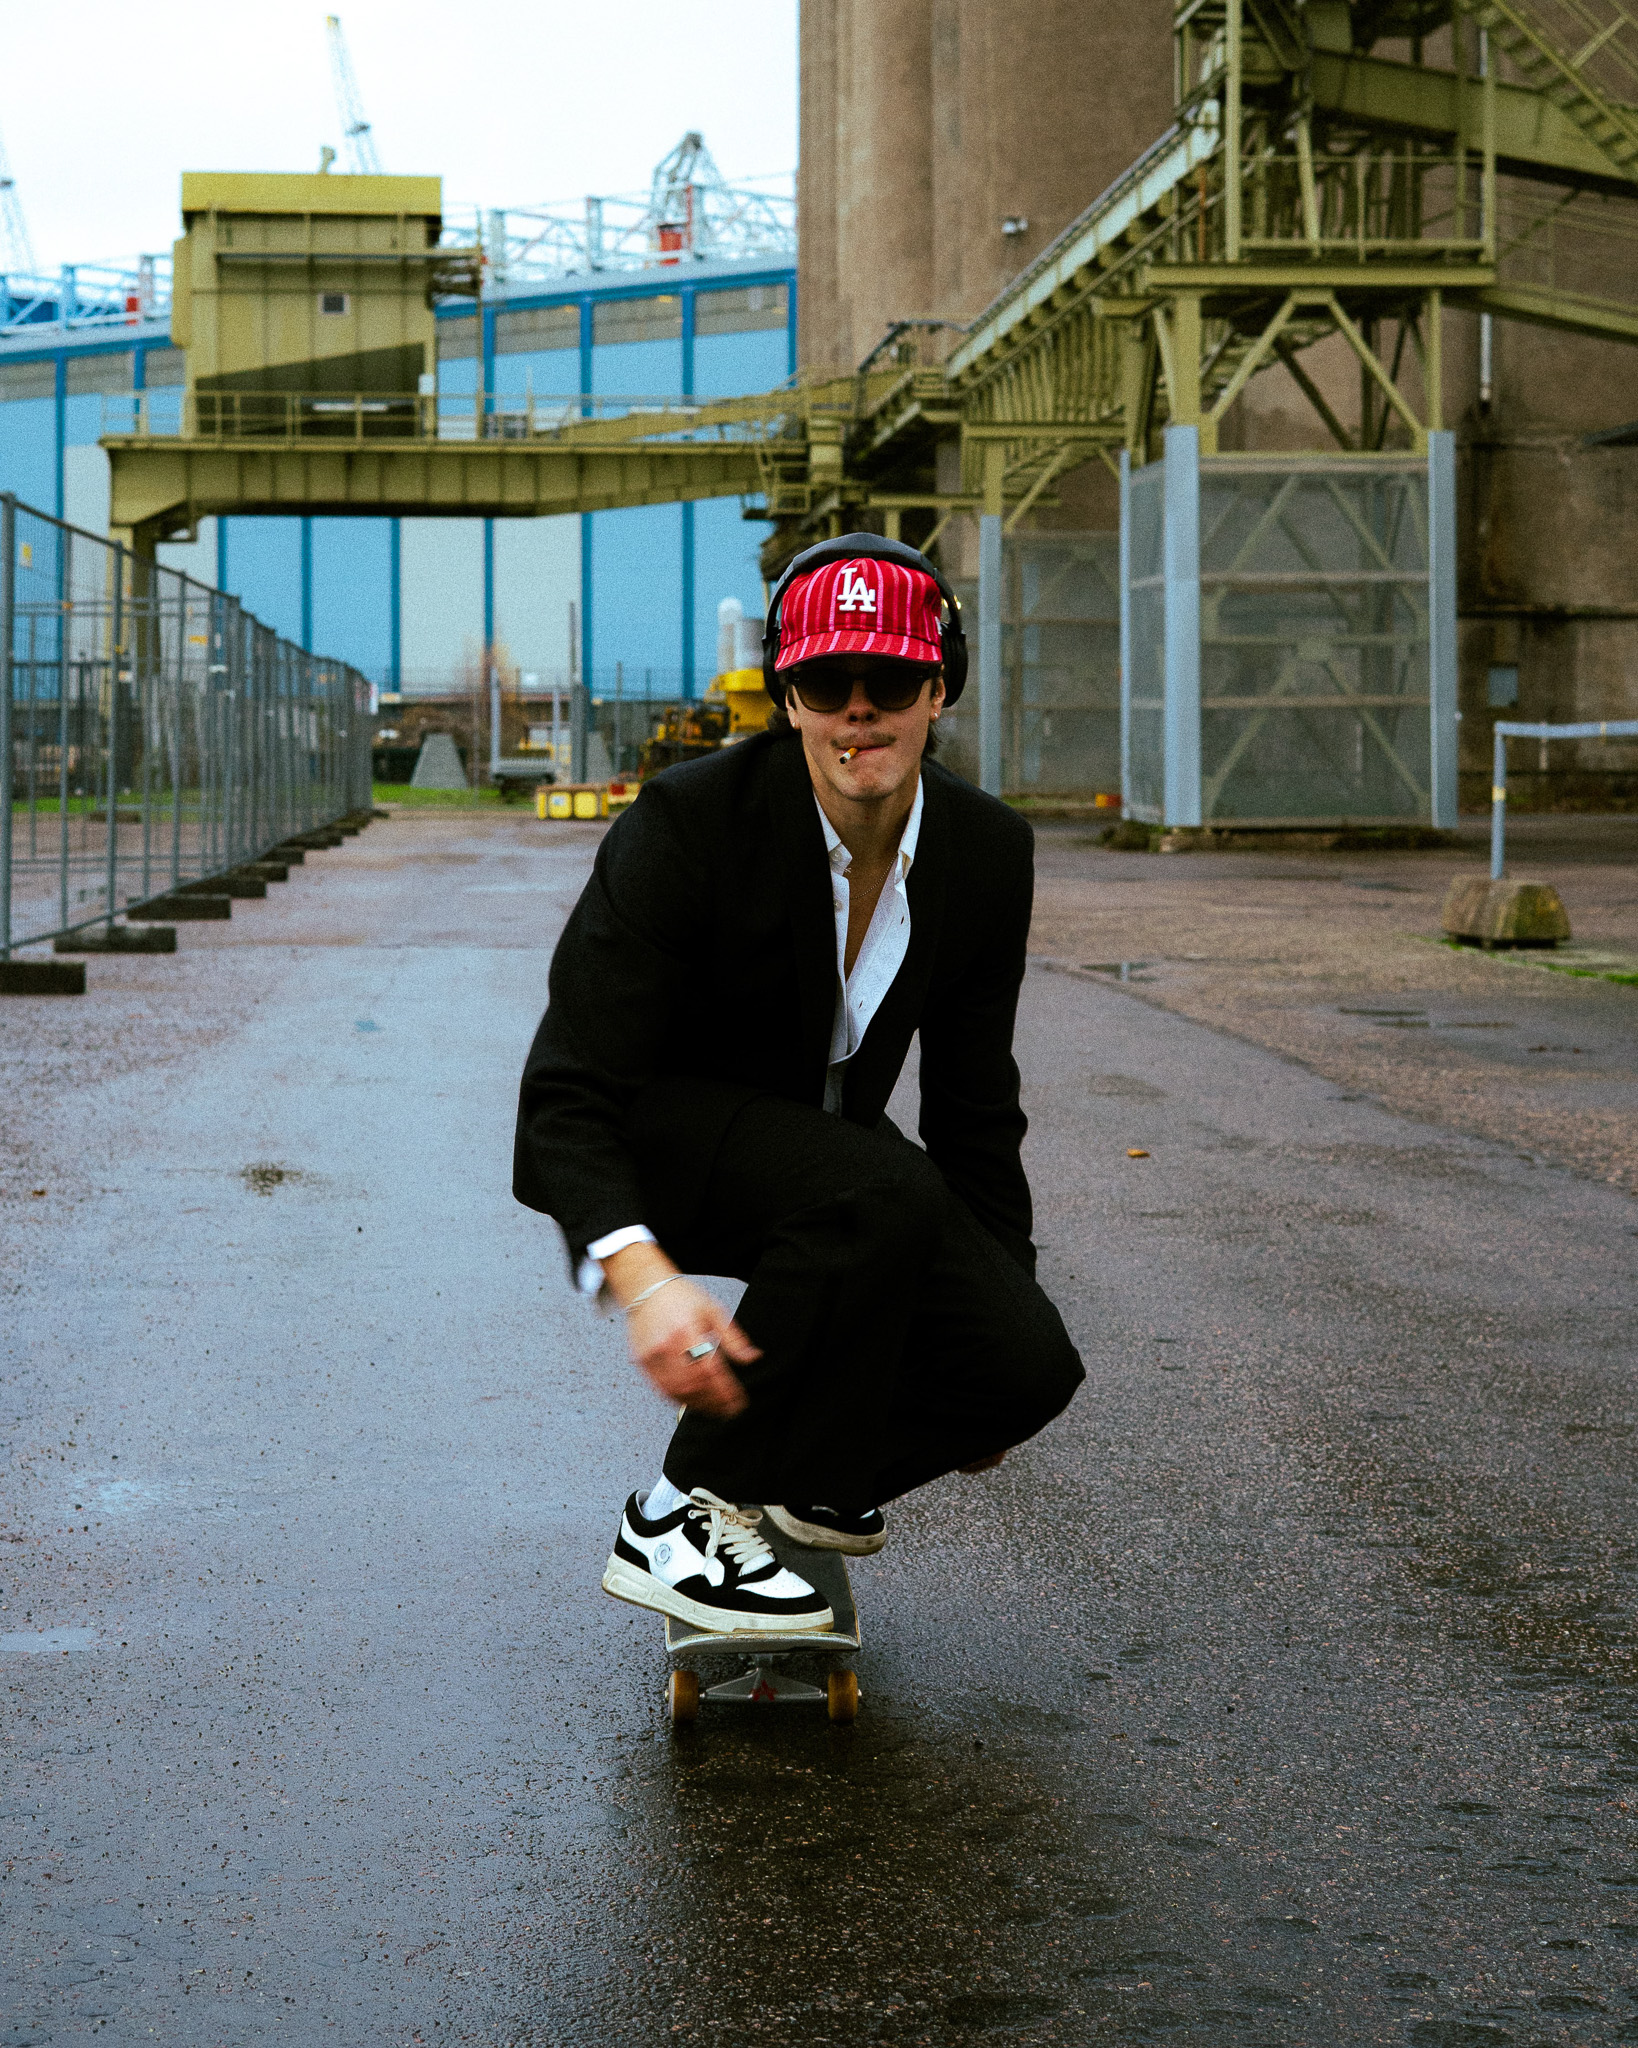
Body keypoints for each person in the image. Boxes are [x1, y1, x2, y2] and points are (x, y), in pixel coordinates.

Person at [513, 534, 1084, 1634]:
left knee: (1030, 1366)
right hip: (658, 1144)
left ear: (938, 686)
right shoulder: (689, 822)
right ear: (788, 693)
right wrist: (640, 1279)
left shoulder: (988, 851)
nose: (857, 711)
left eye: (889, 680)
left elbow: (976, 1106)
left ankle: (810, 1475)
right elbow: (563, 1091)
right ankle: (678, 1513)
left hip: (825, 1166)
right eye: (828, 681)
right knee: (874, 1186)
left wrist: (991, 1313)